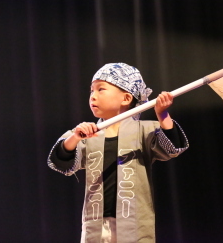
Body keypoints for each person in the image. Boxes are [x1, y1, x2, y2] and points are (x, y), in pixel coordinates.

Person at [47, 63, 189, 242]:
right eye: (91, 91)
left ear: (126, 98)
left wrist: (162, 115)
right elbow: (60, 162)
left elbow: (173, 148)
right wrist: (75, 137)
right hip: (95, 225)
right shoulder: (87, 133)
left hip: (133, 223)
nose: (93, 96)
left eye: (101, 89)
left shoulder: (143, 130)